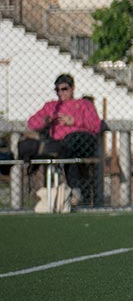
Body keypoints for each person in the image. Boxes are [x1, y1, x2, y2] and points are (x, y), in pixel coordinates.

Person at [23, 74, 106, 206]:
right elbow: (32, 123)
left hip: (83, 140)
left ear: (72, 88)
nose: (61, 93)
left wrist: (74, 121)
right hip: (62, 145)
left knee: (72, 141)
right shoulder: (51, 106)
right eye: (58, 90)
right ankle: (77, 191)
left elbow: (96, 125)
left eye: (64, 89)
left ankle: (77, 190)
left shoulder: (84, 104)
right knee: (66, 148)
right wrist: (45, 120)